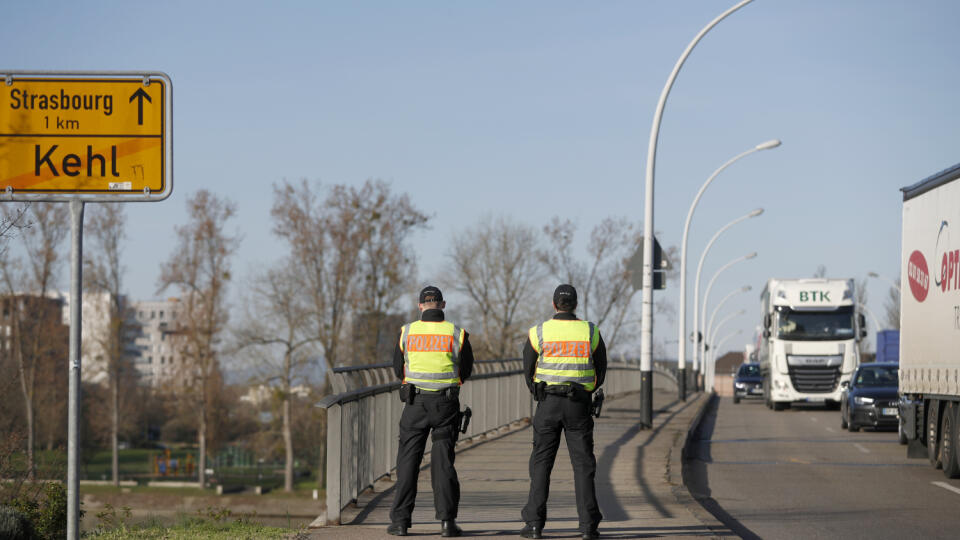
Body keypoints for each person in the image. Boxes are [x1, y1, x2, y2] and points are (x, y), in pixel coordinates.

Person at [520, 284, 606, 540]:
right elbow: (600, 369)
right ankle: (588, 527)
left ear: (554, 304)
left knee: (541, 464)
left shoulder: (539, 332)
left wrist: (538, 392)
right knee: (583, 465)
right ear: (576, 305)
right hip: (578, 404)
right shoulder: (590, 331)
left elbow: (527, 368)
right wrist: (587, 390)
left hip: (547, 403)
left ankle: (534, 525)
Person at [387, 286, 475, 537]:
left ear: (420, 306)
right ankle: (447, 523)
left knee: (407, 462)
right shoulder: (456, 333)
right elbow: (466, 370)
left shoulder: (407, 332)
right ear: (442, 305)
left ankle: (401, 522)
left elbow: (397, 368)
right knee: (443, 462)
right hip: (445, 404)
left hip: (414, 404)